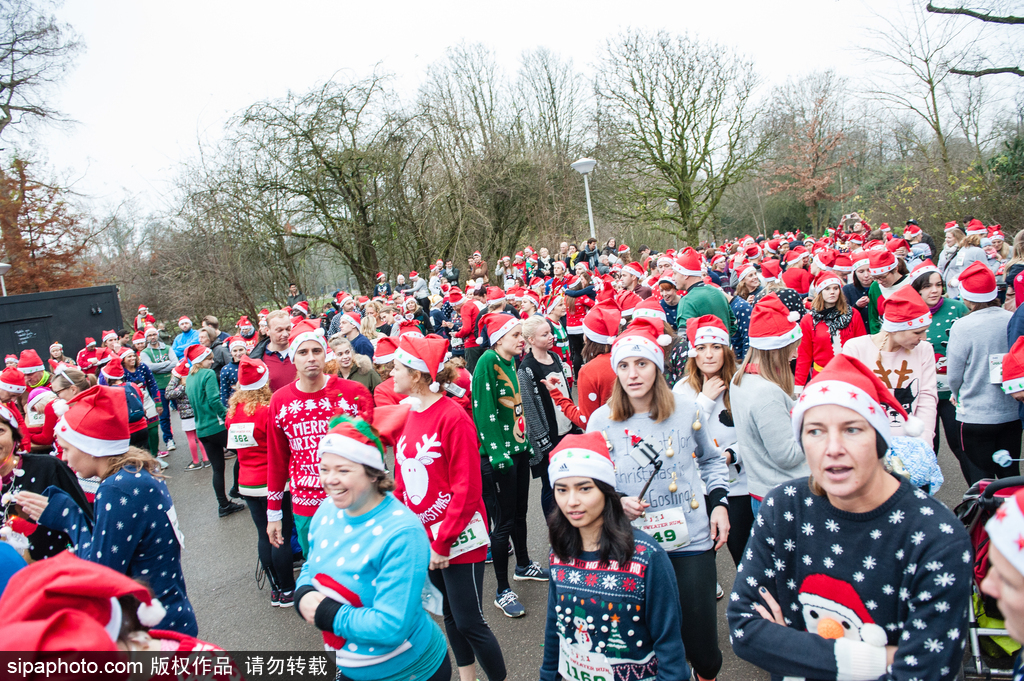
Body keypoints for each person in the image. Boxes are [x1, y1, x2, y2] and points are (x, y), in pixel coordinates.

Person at [727, 354, 972, 681]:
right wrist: (882, 659)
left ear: (879, 439)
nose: (833, 448)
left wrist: (790, 645)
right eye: (815, 431)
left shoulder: (936, 536)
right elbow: (744, 629)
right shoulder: (784, 507)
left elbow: (925, 671)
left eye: (852, 429)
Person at [585, 316, 728, 681]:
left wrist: (721, 505)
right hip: (630, 544)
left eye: (643, 363)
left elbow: (712, 462)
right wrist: (616, 502)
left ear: (658, 367)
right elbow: (590, 484)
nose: (633, 374)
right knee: (649, 645)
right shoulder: (601, 421)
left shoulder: (687, 410)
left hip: (690, 541)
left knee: (704, 652)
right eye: (625, 366)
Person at [14, 385, 198, 635]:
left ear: (91, 447)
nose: (64, 459)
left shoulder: (117, 488)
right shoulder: (136, 473)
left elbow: (101, 573)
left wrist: (69, 516)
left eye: (67, 449)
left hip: (152, 630)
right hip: (172, 614)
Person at [294, 416, 451, 681]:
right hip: (348, 668)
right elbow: (313, 563)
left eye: (343, 471)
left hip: (410, 672)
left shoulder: (402, 533)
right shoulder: (325, 510)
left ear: (372, 473)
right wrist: (304, 591)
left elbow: (390, 627)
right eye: (324, 469)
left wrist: (325, 613)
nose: (330, 480)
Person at [388, 334, 508, 681]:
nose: (390, 373)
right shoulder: (407, 413)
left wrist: (442, 542)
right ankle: (467, 677)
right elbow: (402, 484)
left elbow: (468, 489)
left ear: (417, 374)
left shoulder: (453, 417)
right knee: (450, 616)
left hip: (460, 537)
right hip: (426, 538)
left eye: (396, 367)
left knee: (471, 620)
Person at [540, 432, 691, 681]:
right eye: (562, 490)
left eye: (585, 488)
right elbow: (554, 628)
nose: (572, 502)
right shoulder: (559, 553)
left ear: (606, 490)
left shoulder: (647, 557)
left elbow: (670, 648)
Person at [267, 320, 374, 558]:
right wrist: (274, 513)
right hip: (307, 503)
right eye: (303, 352)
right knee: (320, 571)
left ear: (326, 355)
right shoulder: (280, 401)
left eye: (317, 351)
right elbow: (277, 460)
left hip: (353, 498)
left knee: (360, 567)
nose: (311, 358)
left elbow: (372, 451)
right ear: (293, 358)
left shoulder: (352, 393)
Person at [471, 313, 548, 619]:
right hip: (497, 458)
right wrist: (497, 451)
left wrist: (524, 441)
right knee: (503, 522)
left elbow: (515, 408)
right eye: (516, 334)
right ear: (499, 338)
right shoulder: (487, 363)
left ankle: (524, 565)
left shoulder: (509, 362)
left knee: (519, 513)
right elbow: (484, 411)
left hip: (515, 451)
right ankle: (502, 590)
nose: (521, 339)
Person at [672, 315, 751, 570]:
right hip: (699, 489)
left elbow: (755, 436)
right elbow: (680, 438)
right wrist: (704, 401)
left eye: (716, 347)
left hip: (740, 489)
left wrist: (729, 455)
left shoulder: (743, 384)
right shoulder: (683, 390)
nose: (709, 355)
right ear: (693, 354)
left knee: (747, 557)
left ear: (726, 351)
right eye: (702, 348)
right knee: (703, 559)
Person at [225, 355, 296, 607]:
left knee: (263, 535)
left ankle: (275, 588)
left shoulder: (233, 412)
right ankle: (288, 589)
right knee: (282, 534)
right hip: (275, 481)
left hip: (247, 481)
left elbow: (235, 449)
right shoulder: (268, 411)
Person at [731, 293, 806, 513]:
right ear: (776, 349)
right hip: (785, 497)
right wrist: (816, 427)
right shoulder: (766, 392)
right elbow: (788, 455)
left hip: (766, 490)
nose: (796, 353)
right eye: (792, 347)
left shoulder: (741, 379)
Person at [947, 261, 1021, 484]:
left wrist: (955, 392)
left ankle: (983, 518)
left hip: (975, 414)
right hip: (1011, 411)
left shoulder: (963, 326)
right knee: (1009, 473)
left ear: (967, 297)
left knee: (980, 478)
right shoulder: (1011, 318)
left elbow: (954, 373)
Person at [843, 285, 937, 446]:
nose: (923, 337)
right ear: (895, 329)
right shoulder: (856, 349)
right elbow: (849, 401)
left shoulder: (924, 350)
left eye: (925, 331)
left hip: (911, 443)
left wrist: (924, 443)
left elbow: (927, 399)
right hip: (868, 445)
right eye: (917, 332)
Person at [0, 401, 91, 561]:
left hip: (56, 574)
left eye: (0, 431)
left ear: (14, 436)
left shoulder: (48, 468)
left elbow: (85, 521)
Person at [911, 261, 971, 477]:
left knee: (960, 444)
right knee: (927, 445)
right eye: (927, 286)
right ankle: (925, 499)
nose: (934, 290)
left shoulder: (957, 308)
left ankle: (976, 496)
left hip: (953, 392)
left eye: (938, 285)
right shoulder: (909, 313)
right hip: (921, 391)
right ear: (917, 289)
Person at [518, 315, 576, 520]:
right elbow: (529, 408)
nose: (551, 337)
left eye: (550, 332)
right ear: (531, 340)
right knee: (550, 485)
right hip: (549, 436)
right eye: (545, 334)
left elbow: (567, 392)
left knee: (569, 478)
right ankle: (554, 528)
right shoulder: (526, 369)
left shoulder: (556, 358)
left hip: (566, 427)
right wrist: (543, 441)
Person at [183, 344, 244, 517]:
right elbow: (214, 400)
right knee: (242, 452)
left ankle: (223, 504)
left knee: (218, 468)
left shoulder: (190, 377)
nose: (212, 362)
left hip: (202, 430)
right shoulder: (208, 374)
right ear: (201, 360)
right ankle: (237, 488)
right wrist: (228, 415)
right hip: (216, 426)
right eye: (209, 359)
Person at [794, 270, 867, 389]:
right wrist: (799, 385)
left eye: (835, 288)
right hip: (823, 379)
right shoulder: (808, 320)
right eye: (827, 289)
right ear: (820, 292)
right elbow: (804, 355)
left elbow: (862, 347)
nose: (832, 292)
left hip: (851, 376)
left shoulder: (853, 314)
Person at [164, 359, 209, 471]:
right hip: (197, 412)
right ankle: (206, 459)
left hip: (186, 415)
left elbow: (168, 394)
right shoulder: (193, 381)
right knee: (200, 437)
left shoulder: (181, 387)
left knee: (191, 438)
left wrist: (177, 382)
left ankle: (196, 461)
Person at [140, 325, 178, 451]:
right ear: (146, 338)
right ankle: (168, 439)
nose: (152, 337)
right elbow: (149, 368)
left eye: (154, 334)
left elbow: (175, 363)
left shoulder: (167, 348)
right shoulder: (144, 353)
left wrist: (159, 367)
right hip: (159, 387)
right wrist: (167, 364)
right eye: (149, 335)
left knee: (184, 410)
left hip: (173, 384)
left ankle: (194, 436)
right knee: (164, 416)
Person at [121, 347, 164, 459]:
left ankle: (154, 456)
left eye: (133, 355)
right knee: (141, 433)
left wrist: (158, 402)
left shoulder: (142, 367)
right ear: (123, 359)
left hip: (146, 398)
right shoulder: (121, 372)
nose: (132, 358)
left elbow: (152, 384)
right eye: (129, 356)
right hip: (132, 402)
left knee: (153, 430)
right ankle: (145, 457)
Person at [249, 310, 295, 393]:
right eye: (279, 330)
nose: (285, 334)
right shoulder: (257, 359)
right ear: (267, 331)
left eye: (288, 329)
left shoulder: (300, 352)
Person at [866, 250, 910, 334]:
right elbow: (873, 318)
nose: (879, 282)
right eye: (875, 278)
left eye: (882, 277)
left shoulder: (911, 283)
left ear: (895, 269)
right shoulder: (875, 287)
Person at [842, 255, 873, 328]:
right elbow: (843, 317)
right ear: (855, 273)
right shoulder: (847, 290)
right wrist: (856, 307)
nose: (866, 275)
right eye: (861, 271)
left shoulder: (880, 288)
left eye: (869, 270)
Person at [219, 336, 247, 407]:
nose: (238, 353)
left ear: (245, 350)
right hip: (234, 405)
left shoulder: (253, 365)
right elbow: (224, 392)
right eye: (235, 351)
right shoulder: (226, 370)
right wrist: (226, 410)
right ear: (231, 352)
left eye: (241, 350)